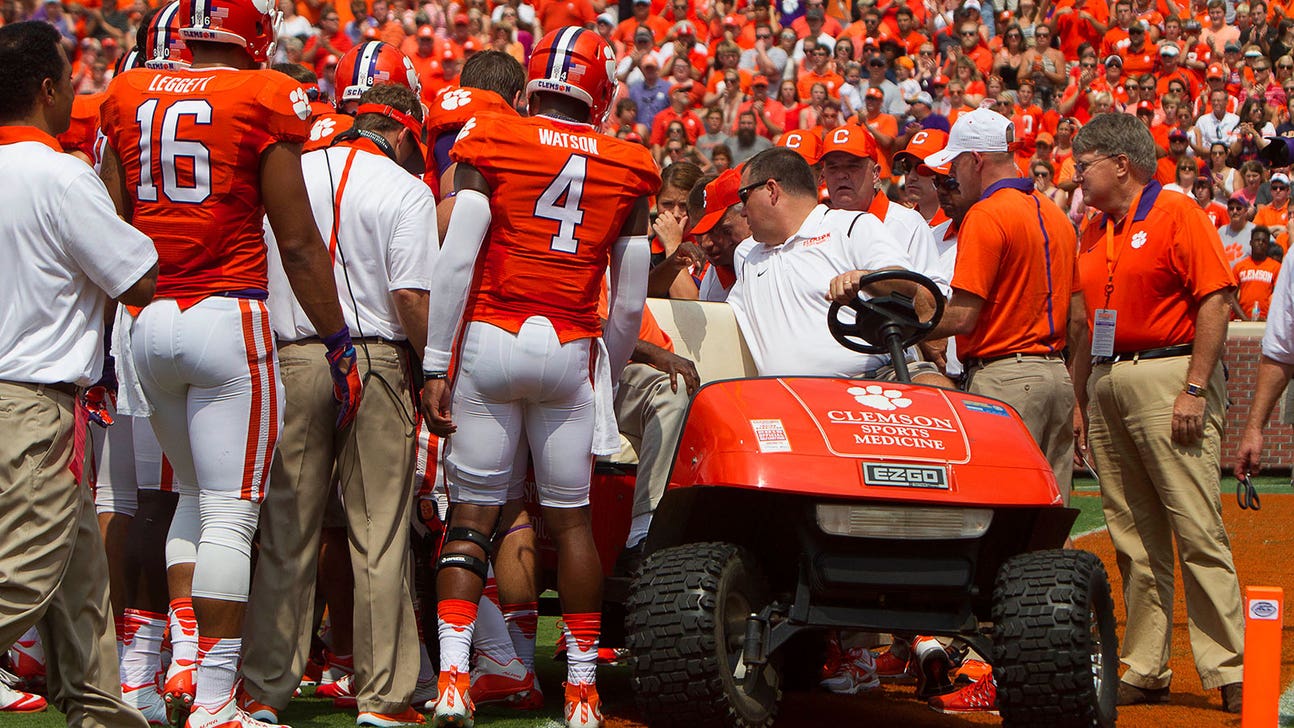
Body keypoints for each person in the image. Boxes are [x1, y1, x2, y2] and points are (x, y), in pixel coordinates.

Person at [97, 0, 360, 724]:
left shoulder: (129, 90)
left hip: (147, 319)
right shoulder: (265, 94)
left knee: (190, 497)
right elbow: (298, 242)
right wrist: (338, 341)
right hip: (227, 316)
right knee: (230, 515)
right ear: (258, 33)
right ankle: (215, 698)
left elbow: (111, 223)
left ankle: (165, 675)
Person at [420, 26, 659, 728]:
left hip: (492, 336)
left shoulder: (492, 137)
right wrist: (607, 370)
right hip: (570, 345)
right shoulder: (629, 163)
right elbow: (630, 299)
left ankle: (454, 679)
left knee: (471, 515)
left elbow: (456, 259)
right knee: (571, 521)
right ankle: (582, 692)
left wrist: (435, 363)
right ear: (601, 94)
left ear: (532, 87)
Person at [240, 83, 436, 727]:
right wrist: (437, 370)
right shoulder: (407, 188)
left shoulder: (292, 171)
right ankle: (382, 697)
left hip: (296, 354)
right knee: (379, 534)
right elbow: (410, 297)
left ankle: (264, 689)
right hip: (375, 357)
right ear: (403, 133)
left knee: (286, 530)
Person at [0, 20, 158, 727]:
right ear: (46, 89)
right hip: (34, 401)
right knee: (24, 573)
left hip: (24, 397)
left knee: (80, 588)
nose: (74, 90)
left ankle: (102, 714)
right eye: (68, 79)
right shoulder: (64, 174)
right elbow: (139, 278)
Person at [1069, 112, 1244, 715]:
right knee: (1132, 536)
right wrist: (1080, 396)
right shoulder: (1093, 228)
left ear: (1121, 164)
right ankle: (1145, 664)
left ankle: (1229, 667)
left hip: (1169, 373)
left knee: (1195, 527)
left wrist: (1195, 387)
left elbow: (1216, 299)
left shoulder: (1177, 211)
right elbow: (1084, 323)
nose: (1076, 175)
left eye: (1084, 164)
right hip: (1109, 378)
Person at [727, 147, 914, 378]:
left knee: (932, 384)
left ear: (772, 190)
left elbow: (907, 286)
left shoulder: (852, 225)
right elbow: (724, 320)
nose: (743, 212)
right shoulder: (748, 256)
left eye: (744, 197)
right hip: (788, 394)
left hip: (877, 379)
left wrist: (864, 279)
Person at [817, 124, 954, 386]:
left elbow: (933, 299)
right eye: (833, 167)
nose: (842, 175)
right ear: (823, 175)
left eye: (853, 166)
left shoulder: (906, 223)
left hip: (894, 357)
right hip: (829, 365)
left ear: (876, 173)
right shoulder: (814, 227)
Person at [1231, 226, 1280, 320]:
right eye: (1257, 240)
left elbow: (1279, 297)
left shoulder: (1276, 267)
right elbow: (1231, 296)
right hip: (1243, 320)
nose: (1260, 243)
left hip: (1266, 321)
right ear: (1251, 242)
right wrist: (1245, 318)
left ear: (1268, 245)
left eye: (1264, 241)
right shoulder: (1239, 266)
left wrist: (1269, 318)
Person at [1218, 194, 1257, 266]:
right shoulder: (1221, 231)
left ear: (1246, 211)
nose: (1234, 211)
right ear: (1227, 211)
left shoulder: (1256, 231)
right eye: (1231, 208)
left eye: (1238, 208)